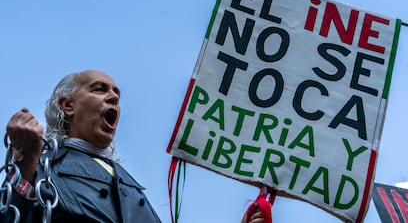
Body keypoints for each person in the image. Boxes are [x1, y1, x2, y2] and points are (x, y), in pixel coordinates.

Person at [1, 69, 265, 222]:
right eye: (99, 89)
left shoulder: (127, 184)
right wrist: (25, 162)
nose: (113, 96)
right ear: (68, 106)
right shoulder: (45, 166)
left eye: (117, 94)